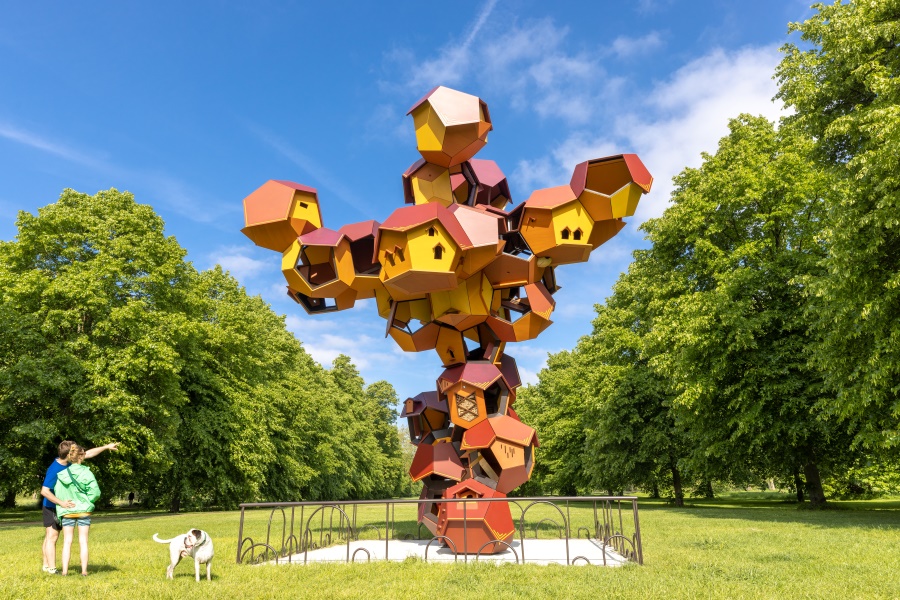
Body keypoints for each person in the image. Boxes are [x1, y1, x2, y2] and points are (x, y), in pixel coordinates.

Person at [40, 440, 117, 575]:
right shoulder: (54, 469)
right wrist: (61, 503)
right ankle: (50, 568)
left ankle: (46, 565)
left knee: (51, 537)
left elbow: (88, 453)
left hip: (64, 506)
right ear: (70, 455)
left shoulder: (70, 460)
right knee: (52, 536)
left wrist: (106, 447)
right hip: (52, 505)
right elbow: (44, 491)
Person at [54, 444, 101, 576]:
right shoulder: (87, 472)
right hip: (83, 511)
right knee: (83, 541)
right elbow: (95, 492)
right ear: (80, 456)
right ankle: (84, 571)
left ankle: (64, 571)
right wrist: (88, 501)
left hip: (68, 512)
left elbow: (58, 491)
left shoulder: (61, 474)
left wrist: (65, 504)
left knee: (67, 541)